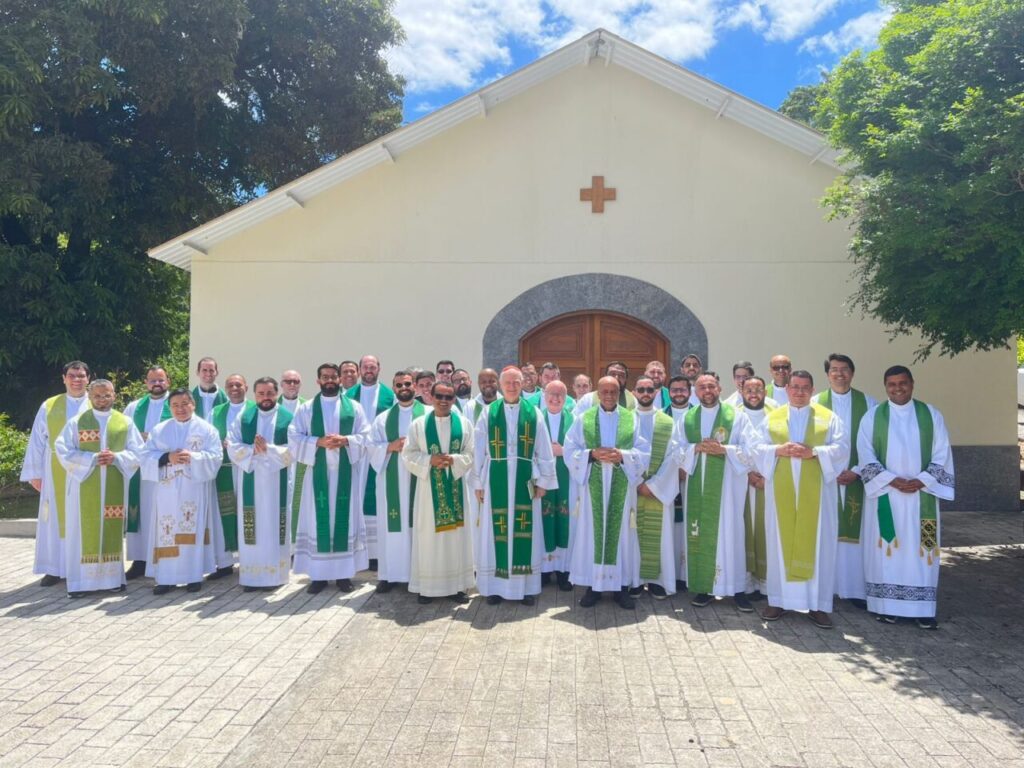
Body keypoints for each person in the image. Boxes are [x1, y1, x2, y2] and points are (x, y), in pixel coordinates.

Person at [749, 370, 848, 628]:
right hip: (780, 494)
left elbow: (842, 449)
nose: (799, 392)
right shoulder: (773, 418)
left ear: (813, 390)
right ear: (787, 389)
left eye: (805, 387)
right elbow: (756, 448)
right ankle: (778, 600)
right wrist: (778, 449)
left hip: (818, 497)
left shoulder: (829, 418)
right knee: (778, 542)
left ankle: (818, 605)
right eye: (795, 387)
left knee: (818, 543)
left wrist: (814, 452)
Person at [857, 366, 954, 629]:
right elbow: (865, 454)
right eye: (892, 384)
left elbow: (942, 452)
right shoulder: (873, 416)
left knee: (922, 552)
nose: (897, 388)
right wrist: (892, 479)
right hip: (886, 495)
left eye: (903, 383)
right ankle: (887, 606)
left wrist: (922, 480)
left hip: (922, 496)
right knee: (887, 552)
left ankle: (923, 609)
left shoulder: (931, 415)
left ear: (912, 383)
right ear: (885, 386)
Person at [472, 367, 557, 606]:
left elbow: (544, 449)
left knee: (525, 532)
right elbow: (478, 448)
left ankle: (525, 588)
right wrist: (478, 482)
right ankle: (494, 588)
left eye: (516, 382)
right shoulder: (489, 412)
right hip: (495, 478)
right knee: (495, 531)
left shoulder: (534, 413)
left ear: (522, 384)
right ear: (501, 385)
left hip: (525, 478)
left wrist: (544, 481)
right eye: (507, 382)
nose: (511, 386)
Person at [564, 376, 649, 609]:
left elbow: (644, 451)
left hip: (622, 484)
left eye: (614, 391)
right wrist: (591, 454)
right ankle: (594, 587)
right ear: (598, 394)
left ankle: (621, 588)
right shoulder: (584, 418)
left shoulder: (631, 418)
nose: (609, 396)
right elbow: (570, 449)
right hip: (593, 486)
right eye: (605, 392)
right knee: (593, 533)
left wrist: (623, 456)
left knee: (622, 534)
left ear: (619, 393)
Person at [54, 378, 142, 597]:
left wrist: (117, 457)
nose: (102, 399)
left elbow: (138, 451)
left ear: (114, 395)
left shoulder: (124, 422)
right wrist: (92, 458)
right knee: (81, 533)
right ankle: (80, 583)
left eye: (107, 395)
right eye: (97, 396)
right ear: (90, 396)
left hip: (114, 484)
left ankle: (112, 580)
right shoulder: (77, 422)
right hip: (83, 486)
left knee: (111, 529)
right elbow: (63, 449)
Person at [289, 363, 371, 593]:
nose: (329, 381)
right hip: (317, 476)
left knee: (345, 521)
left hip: (345, 476)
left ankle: (344, 576)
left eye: (333, 377)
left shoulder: (354, 408)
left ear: (339, 379)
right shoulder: (306, 409)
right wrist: (318, 442)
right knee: (317, 523)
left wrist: (346, 440)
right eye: (325, 377)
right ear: (318, 380)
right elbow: (293, 436)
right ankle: (319, 576)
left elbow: (366, 435)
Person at [675, 373, 753, 612]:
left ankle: (737, 590)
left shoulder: (737, 417)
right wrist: (696, 448)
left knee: (732, 534)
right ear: (695, 392)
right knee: (700, 534)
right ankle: (703, 588)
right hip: (697, 488)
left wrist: (724, 450)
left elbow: (751, 450)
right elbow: (675, 449)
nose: (707, 390)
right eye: (702, 387)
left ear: (719, 389)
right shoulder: (688, 418)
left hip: (728, 490)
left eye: (711, 386)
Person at [140, 389, 223, 595]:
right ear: (170, 408)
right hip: (166, 491)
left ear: (193, 404)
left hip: (193, 489)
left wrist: (193, 457)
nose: (180, 409)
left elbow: (216, 456)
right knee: (166, 531)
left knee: (191, 530)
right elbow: (145, 456)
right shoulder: (159, 430)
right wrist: (166, 457)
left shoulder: (206, 429)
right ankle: (165, 578)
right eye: (175, 405)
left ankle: (193, 576)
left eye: (185, 404)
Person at [401, 381, 476, 604]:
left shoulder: (464, 424)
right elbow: (408, 454)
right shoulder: (418, 425)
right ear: (431, 397)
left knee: (456, 538)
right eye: (439, 396)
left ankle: (457, 587)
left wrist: (454, 460)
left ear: (453, 399)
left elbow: (471, 453)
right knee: (428, 539)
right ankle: (427, 588)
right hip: (427, 494)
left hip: (456, 489)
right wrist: (429, 460)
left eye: (448, 397)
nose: (444, 401)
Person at [814, 353, 877, 608]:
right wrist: (831, 470)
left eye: (844, 369)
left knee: (856, 535)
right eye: (834, 369)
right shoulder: (815, 404)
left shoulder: (869, 404)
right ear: (827, 374)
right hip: (826, 478)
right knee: (826, 531)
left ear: (852, 373)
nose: (839, 374)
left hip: (856, 479)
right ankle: (827, 588)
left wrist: (857, 471)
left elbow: (874, 443)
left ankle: (854, 590)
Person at [21, 361, 91, 587]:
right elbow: (37, 440)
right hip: (55, 470)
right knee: (54, 520)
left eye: (81, 376)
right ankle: (54, 569)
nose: (77, 380)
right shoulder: (49, 405)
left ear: (88, 378)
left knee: (83, 517)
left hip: (88, 470)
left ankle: (84, 566)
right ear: (64, 378)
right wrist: (35, 473)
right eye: (72, 375)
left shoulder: (96, 403)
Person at [226, 377, 294, 591]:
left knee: (275, 525)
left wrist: (268, 449)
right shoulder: (243, 417)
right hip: (251, 478)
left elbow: (295, 447)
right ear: (254, 395)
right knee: (252, 526)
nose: (266, 397)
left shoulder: (287, 418)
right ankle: (252, 578)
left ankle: (276, 577)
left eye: (270, 393)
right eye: (261, 393)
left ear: (277, 394)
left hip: (277, 482)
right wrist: (252, 450)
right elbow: (232, 444)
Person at [366, 371, 426, 593]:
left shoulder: (428, 414)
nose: (404, 388)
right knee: (391, 527)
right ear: (394, 388)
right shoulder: (383, 419)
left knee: (420, 526)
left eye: (407, 384)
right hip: (392, 478)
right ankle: (390, 575)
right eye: (399, 385)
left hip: (420, 478)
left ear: (415, 386)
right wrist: (390, 446)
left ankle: (422, 576)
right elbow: (370, 447)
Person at [631, 376, 680, 599]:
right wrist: (636, 482)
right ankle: (634, 580)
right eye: (641, 389)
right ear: (634, 392)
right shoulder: (626, 419)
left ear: (656, 392)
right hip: (632, 489)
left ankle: (657, 581)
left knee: (660, 536)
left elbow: (673, 457)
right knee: (631, 535)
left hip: (658, 490)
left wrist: (653, 485)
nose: (645, 393)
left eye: (649, 390)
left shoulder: (667, 422)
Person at [123, 365, 172, 579]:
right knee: (141, 514)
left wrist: (151, 438)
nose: (157, 384)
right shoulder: (134, 408)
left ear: (168, 381)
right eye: (152, 380)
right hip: (140, 471)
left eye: (160, 380)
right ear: (146, 383)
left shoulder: (177, 404)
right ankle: (140, 561)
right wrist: (139, 440)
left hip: (166, 469)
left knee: (164, 513)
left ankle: (165, 559)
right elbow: (124, 434)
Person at [346, 354, 395, 564]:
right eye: (365, 367)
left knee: (376, 499)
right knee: (354, 500)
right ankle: (357, 551)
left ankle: (375, 554)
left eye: (372, 367)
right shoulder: (348, 395)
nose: (369, 370)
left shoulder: (390, 396)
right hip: (355, 456)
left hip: (379, 455)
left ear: (379, 369)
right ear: (359, 370)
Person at [208, 374, 249, 579]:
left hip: (248, 469)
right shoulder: (216, 412)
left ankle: (249, 559)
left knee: (247, 512)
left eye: (238, 385)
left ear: (246, 387)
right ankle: (224, 563)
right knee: (222, 515)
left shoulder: (254, 410)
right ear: (225, 389)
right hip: (224, 469)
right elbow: (207, 437)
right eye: (230, 385)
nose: (234, 388)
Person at [736, 376, 773, 597]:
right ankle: (747, 582)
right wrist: (749, 472)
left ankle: (767, 584)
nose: (753, 394)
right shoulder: (734, 416)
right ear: (741, 392)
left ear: (765, 392)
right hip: (742, 481)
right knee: (744, 529)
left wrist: (767, 476)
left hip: (770, 482)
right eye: (749, 390)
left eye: (758, 389)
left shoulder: (776, 415)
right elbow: (732, 447)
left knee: (767, 530)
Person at [538, 380, 575, 590]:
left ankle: (563, 570)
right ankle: (543, 570)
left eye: (560, 394)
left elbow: (582, 449)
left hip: (566, 478)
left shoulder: (574, 420)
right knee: (543, 519)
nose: (555, 398)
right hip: (541, 479)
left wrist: (563, 451)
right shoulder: (536, 418)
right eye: (552, 393)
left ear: (566, 397)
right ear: (544, 396)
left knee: (564, 520)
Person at [663, 374, 693, 589]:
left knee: (689, 525)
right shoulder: (661, 416)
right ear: (669, 393)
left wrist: (685, 466)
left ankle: (687, 575)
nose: (679, 393)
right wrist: (674, 469)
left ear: (689, 392)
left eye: (683, 389)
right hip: (667, 479)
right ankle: (670, 573)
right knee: (670, 526)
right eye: (675, 390)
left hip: (692, 478)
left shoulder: (697, 416)